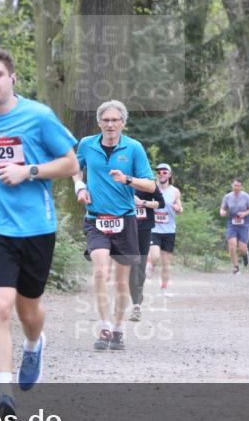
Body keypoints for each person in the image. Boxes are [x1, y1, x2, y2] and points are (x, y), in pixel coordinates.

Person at [0, 47, 78, 419]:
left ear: (12, 78)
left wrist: (28, 171)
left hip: (36, 228)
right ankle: (4, 396)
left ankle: (33, 343)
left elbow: (71, 162)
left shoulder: (39, 117)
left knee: (29, 312)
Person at [73, 100, 155, 351]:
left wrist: (128, 179)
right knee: (99, 272)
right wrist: (80, 186)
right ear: (99, 123)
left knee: (121, 282)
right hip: (96, 219)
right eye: (105, 120)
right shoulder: (87, 144)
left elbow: (150, 186)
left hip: (125, 220)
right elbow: (75, 168)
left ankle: (119, 328)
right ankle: (104, 327)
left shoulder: (134, 148)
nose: (110, 124)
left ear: (123, 123)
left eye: (115, 120)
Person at [128, 181, 165, 322]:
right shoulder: (121, 180)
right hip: (127, 227)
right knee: (130, 265)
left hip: (144, 228)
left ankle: (137, 299)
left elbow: (161, 203)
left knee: (140, 266)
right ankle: (136, 301)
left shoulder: (148, 183)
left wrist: (142, 203)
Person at [148, 163, 183, 295]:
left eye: (164, 172)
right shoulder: (152, 188)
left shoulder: (174, 191)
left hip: (169, 230)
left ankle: (164, 288)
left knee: (166, 262)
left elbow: (180, 208)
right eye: (159, 172)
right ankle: (150, 265)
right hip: (154, 229)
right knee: (155, 256)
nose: (161, 174)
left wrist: (178, 209)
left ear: (169, 175)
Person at [219, 178, 249, 274]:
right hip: (232, 223)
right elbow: (223, 208)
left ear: (241, 187)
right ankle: (236, 267)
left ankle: (245, 254)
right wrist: (222, 212)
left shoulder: (246, 196)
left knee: (242, 248)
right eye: (235, 185)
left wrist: (244, 213)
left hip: (244, 223)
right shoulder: (227, 197)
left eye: (238, 186)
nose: (236, 187)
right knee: (232, 245)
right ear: (232, 186)